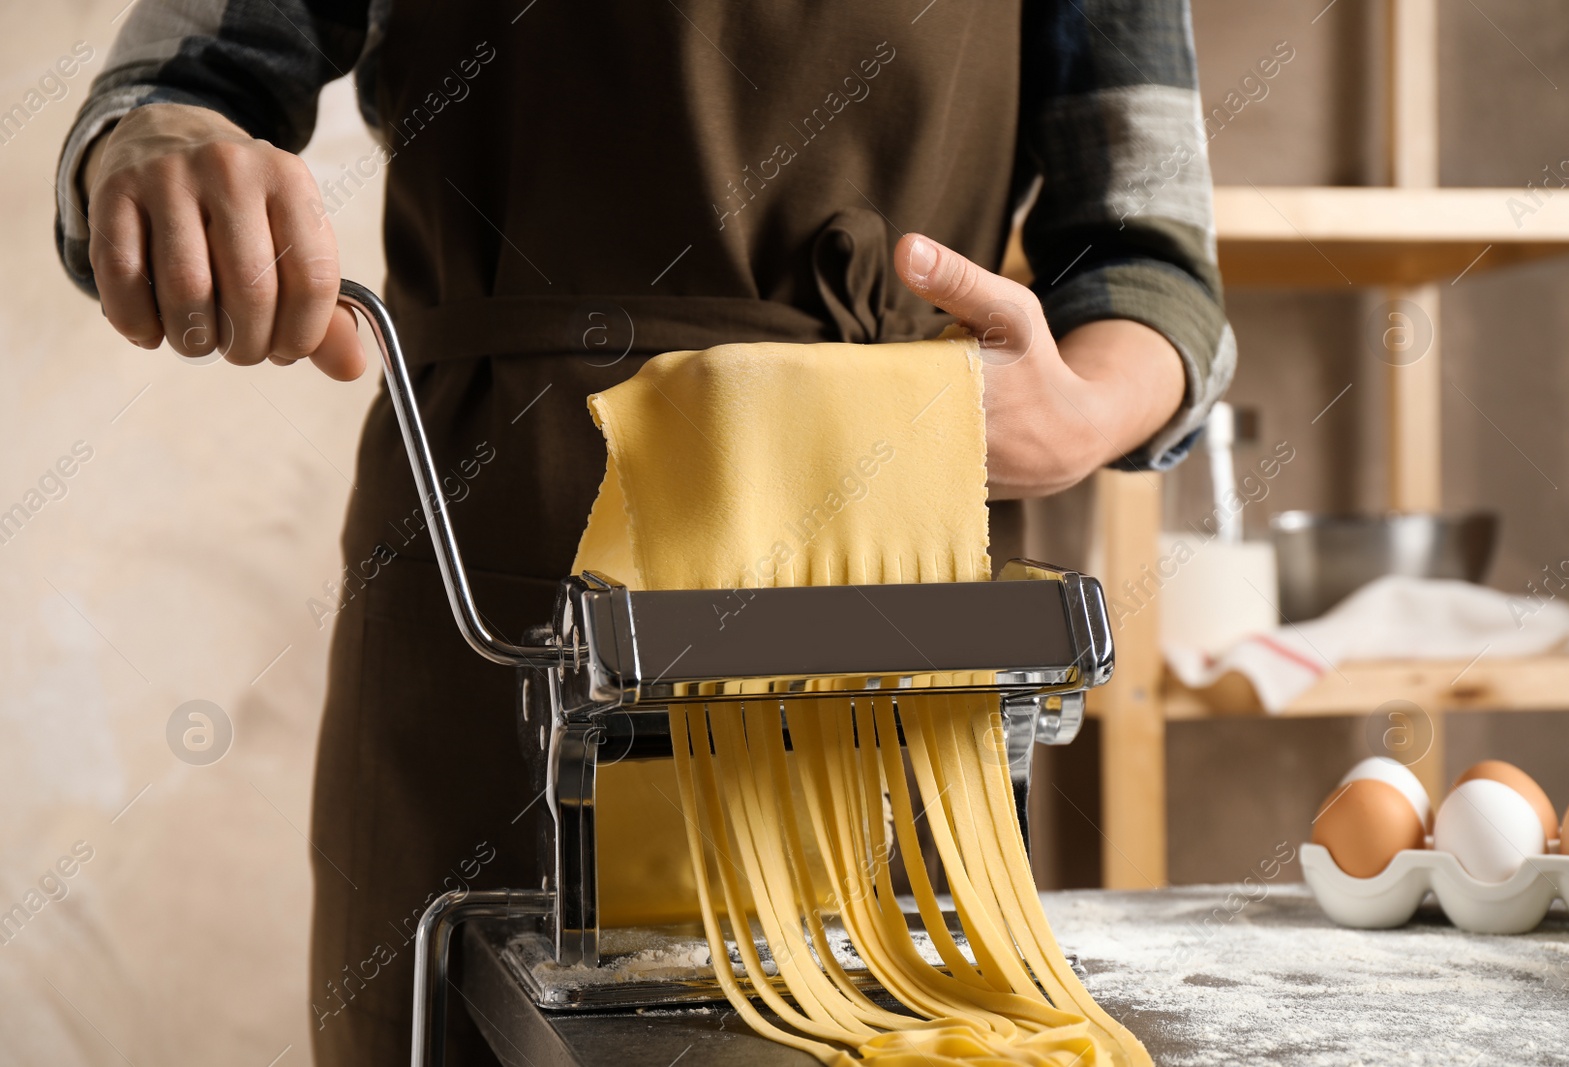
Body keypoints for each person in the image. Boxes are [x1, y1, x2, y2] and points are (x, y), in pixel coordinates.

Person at [56, 1, 1234, 1061]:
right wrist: (153, 144)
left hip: (891, 576)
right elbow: (172, 83)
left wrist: (1084, 406)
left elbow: (1149, 260)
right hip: (501, 580)